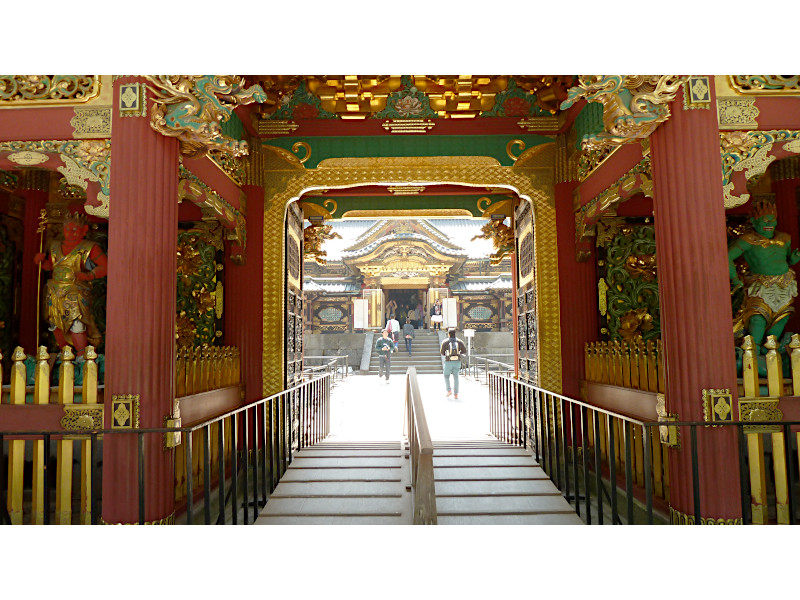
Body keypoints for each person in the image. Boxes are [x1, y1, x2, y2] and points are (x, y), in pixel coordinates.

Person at [729, 198, 800, 353]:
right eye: (764, 220)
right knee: (757, 319)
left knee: (781, 319)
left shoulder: (784, 239)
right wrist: (735, 280)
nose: (769, 224)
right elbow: (727, 256)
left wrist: (794, 258)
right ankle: (752, 352)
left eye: (772, 221)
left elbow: (787, 260)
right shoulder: (748, 240)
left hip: (784, 284)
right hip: (761, 284)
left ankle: (770, 353)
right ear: (754, 222)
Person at [34, 212, 107, 356]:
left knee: (76, 324)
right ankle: (64, 353)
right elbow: (51, 266)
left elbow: (106, 266)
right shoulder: (54, 246)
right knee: (55, 324)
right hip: (55, 291)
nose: (70, 233)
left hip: (76, 292)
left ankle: (81, 355)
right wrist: (41, 261)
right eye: (68, 229)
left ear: (84, 230)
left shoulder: (89, 247)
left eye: (75, 230)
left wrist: (89, 275)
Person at [440, 328, 466, 399]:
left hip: (448, 361)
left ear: (448, 334)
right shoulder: (460, 341)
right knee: (456, 377)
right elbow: (464, 351)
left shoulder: (445, 342)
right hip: (457, 361)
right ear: (455, 333)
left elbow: (442, 352)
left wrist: (447, 354)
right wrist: (459, 353)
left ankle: (449, 390)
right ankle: (456, 394)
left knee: (446, 376)